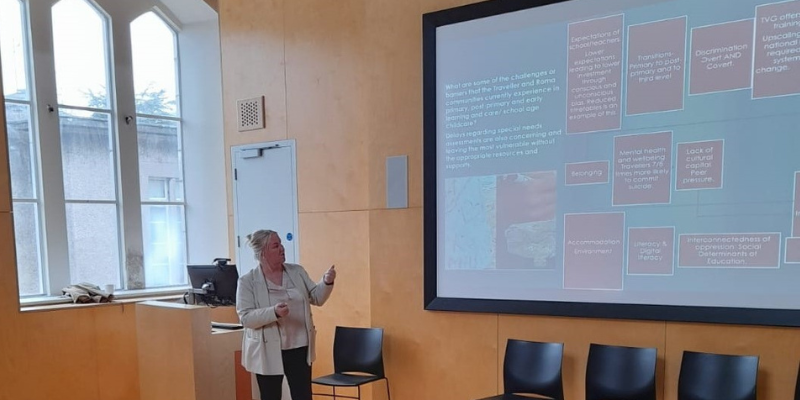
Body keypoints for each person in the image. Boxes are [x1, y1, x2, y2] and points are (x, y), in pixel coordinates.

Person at [236, 229, 336, 400]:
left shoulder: (297, 272)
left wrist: (327, 282)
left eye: (281, 244)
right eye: (276, 246)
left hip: (299, 347)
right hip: (267, 349)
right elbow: (246, 318)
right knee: (270, 396)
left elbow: (316, 297)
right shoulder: (247, 281)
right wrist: (273, 312)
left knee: (303, 396)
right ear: (262, 253)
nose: (282, 249)